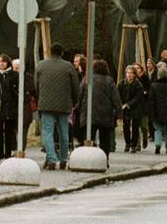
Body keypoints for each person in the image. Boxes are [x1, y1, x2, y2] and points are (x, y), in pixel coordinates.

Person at [35, 42, 79, 170]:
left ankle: (52, 158)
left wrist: (41, 98)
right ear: (62, 53)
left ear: (50, 52)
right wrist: (74, 102)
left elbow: (36, 85)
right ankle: (64, 159)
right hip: (64, 105)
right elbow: (75, 86)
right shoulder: (69, 66)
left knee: (47, 133)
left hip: (46, 104)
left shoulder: (41, 65)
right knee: (63, 133)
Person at [84, 59, 121, 157]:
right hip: (106, 114)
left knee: (90, 137)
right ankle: (105, 158)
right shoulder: (109, 80)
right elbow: (115, 97)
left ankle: (89, 157)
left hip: (90, 113)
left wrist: (79, 108)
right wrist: (119, 113)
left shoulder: (87, 79)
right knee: (105, 139)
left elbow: (81, 94)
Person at [0, 54, 18, 162]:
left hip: (10, 107)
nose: (2, 63)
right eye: (0, 61)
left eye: (4, 61)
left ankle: (8, 153)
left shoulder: (13, 75)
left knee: (9, 132)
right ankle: (0, 154)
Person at [118, 64, 146, 152]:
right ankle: (127, 143)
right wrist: (121, 104)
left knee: (135, 128)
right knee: (126, 127)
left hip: (136, 108)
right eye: (127, 73)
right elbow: (118, 95)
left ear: (134, 74)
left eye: (131, 73)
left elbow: (138, 97)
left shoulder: (138, 84)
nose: (129, 75)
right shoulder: (122, 83)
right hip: (125, 108)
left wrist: (128, 104)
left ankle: (134, 145)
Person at [149, 65, 167, 154]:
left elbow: (152, 100)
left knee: (158, 129)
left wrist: (152, 113)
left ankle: (158, 144)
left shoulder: (154, 86)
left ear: (158, 75)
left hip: (157, 111)